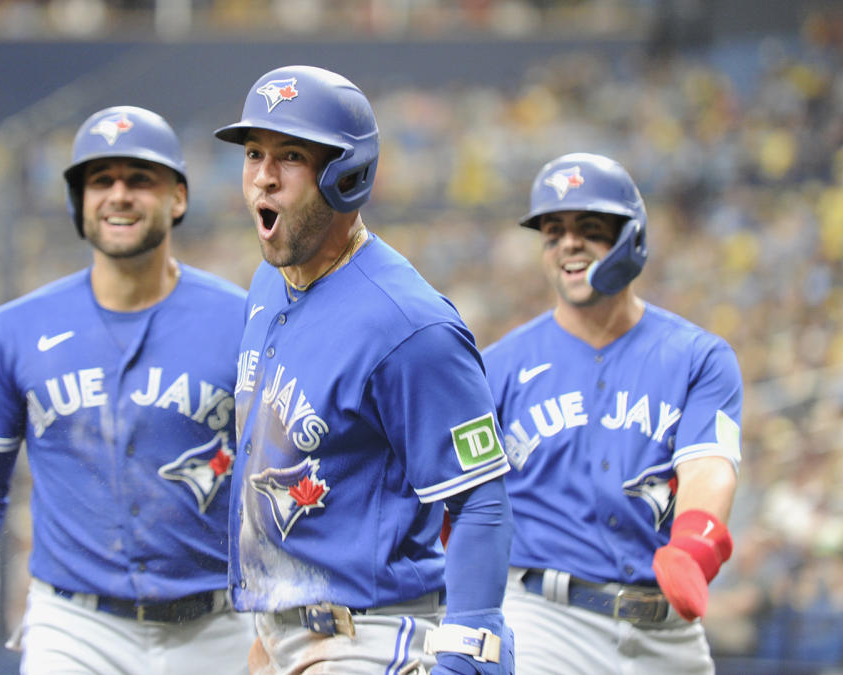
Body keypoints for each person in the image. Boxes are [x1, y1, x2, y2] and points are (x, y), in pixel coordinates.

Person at [0, 106, 253, 675]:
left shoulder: (242, 320)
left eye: (139, 179)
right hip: (75, 629)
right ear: (79, 201)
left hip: (219, 627)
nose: (119, 194)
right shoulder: (17, 329)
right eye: (101, 180)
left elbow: (280, 480)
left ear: (178, 198)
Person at [213, 64, 515, 675]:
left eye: (290, 156)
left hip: (369, 640)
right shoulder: (269, 285)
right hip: (286, 637)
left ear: (345, 175)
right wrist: (270, 631)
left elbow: (479, 497)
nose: (262, 179)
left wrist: (472, 640)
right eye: (253, 154)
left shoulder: (409, 325)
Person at [482, 152, 743, 673]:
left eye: (590, 227)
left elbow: (709, 463)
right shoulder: (499, 366)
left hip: (666, 628)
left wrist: (693, 548)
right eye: (552, 231)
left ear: (632, 237)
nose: (568, 243)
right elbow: (460, 497)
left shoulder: (698, 357)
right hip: (543, 620)